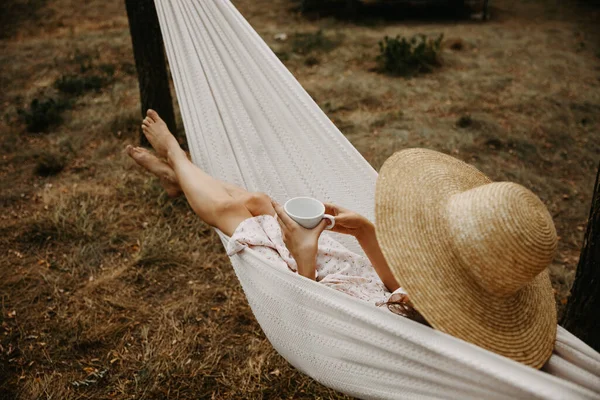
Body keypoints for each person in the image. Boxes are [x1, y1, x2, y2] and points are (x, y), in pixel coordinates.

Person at [127, 110, 558, 369]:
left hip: (311, 284)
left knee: (231, 214)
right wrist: (367, 234)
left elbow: (320, 322)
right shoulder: (458, 297)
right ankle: (175, 179)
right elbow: (397, 288)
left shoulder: (456, 335)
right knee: (259, 200)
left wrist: (305, 257)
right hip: (345, 269)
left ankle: (177, 159)